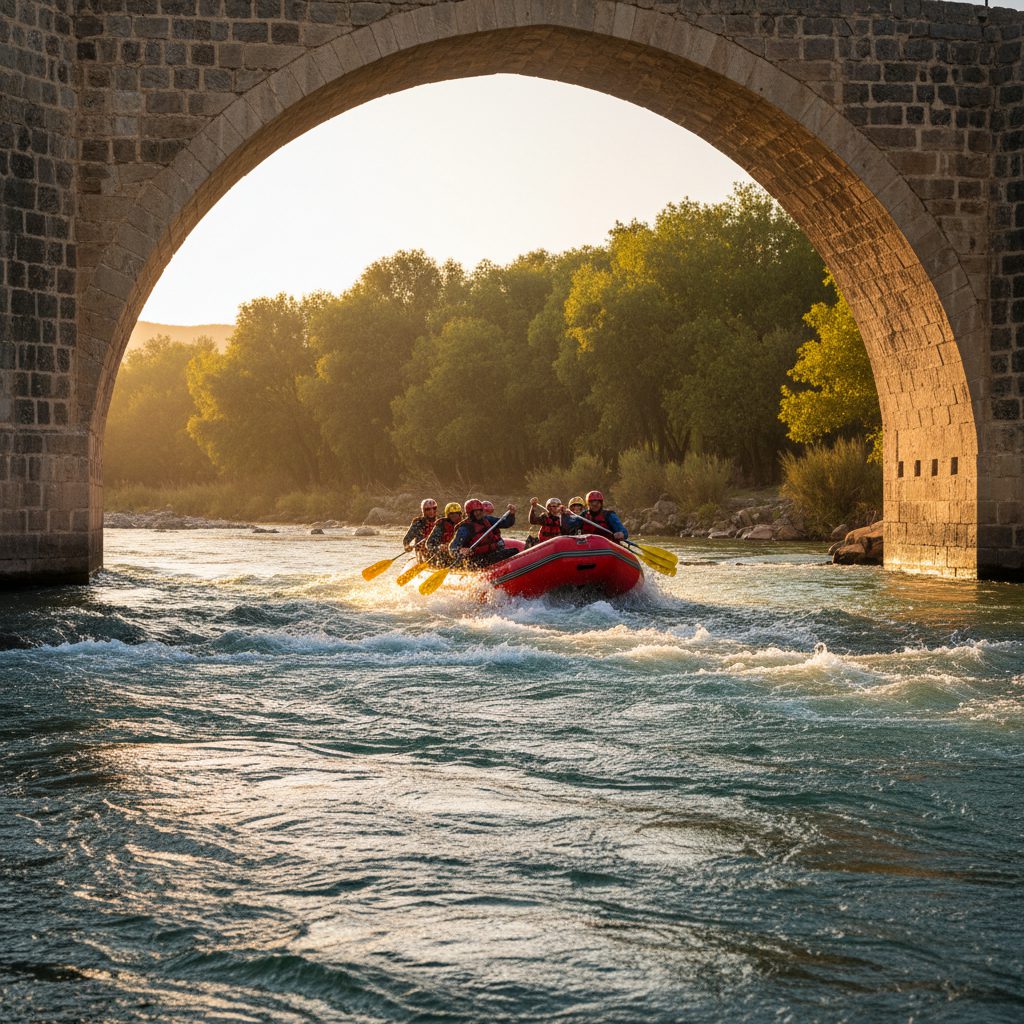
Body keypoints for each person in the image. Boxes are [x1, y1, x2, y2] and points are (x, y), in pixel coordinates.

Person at [450, 498, 517, 568]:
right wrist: (460, 551)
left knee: (514, 551)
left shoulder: (487, 519)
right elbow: (453, 548)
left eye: (480, 510)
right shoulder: (465, 528)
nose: (478, 513)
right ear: (469, 513)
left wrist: (511, 515)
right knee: (513, 552)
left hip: (491, 554)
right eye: (475, 512)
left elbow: (506, 523)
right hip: (476, 560)